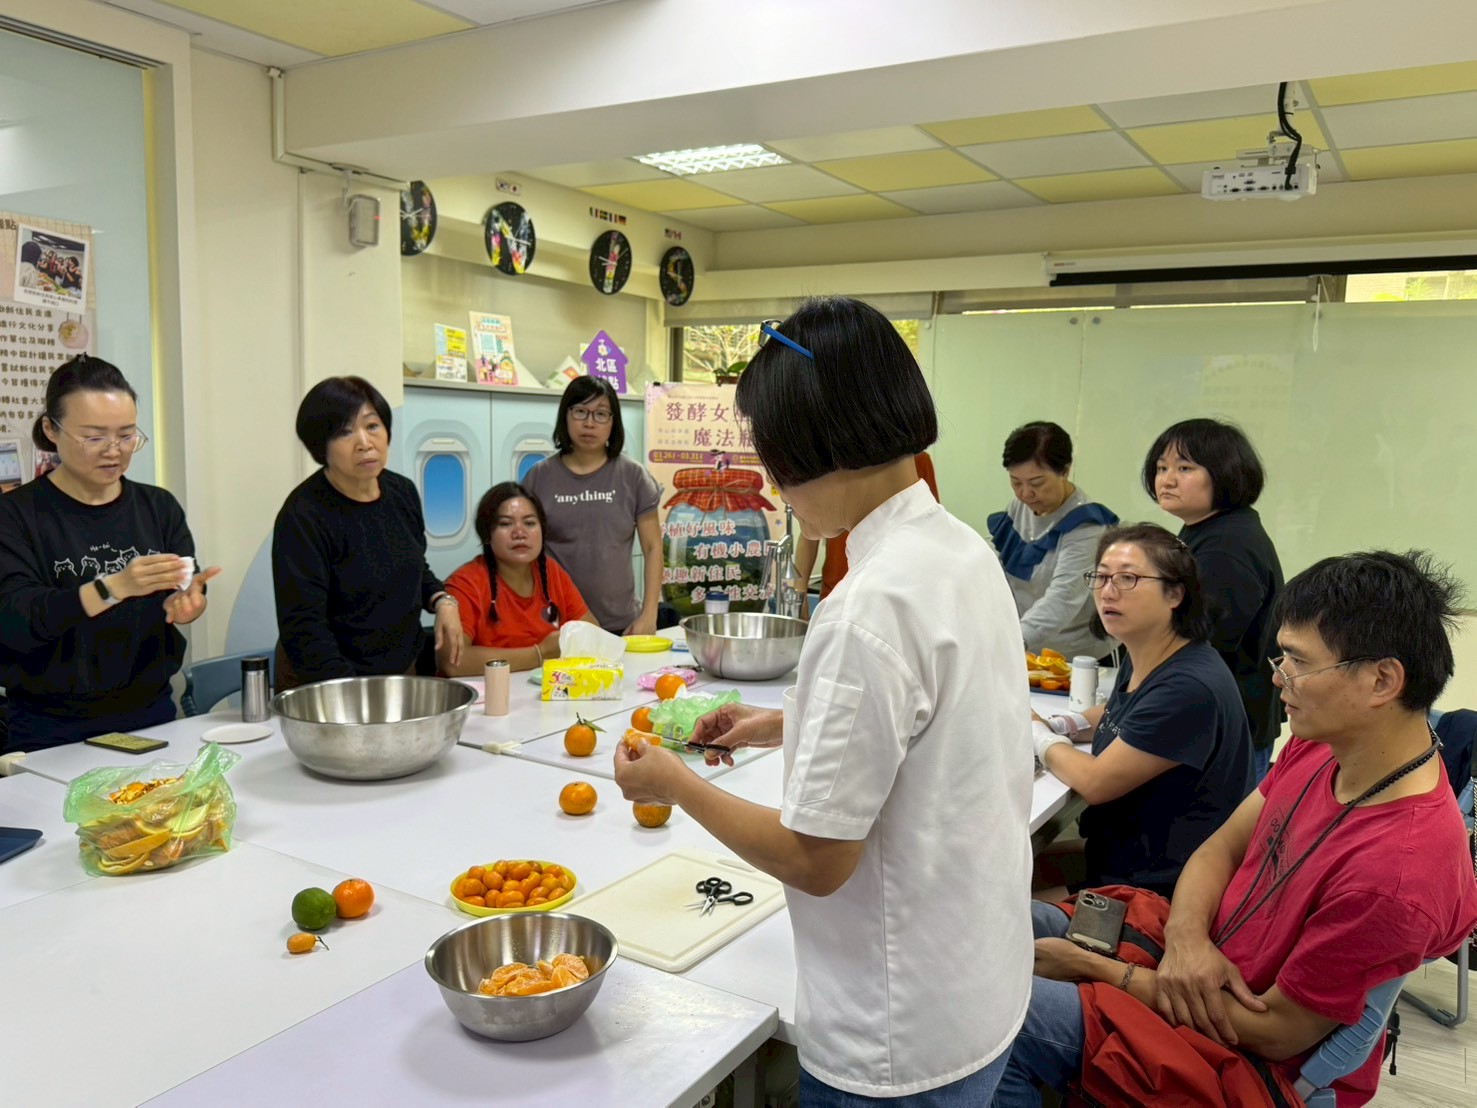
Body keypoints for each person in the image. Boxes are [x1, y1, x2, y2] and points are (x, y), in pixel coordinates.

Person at [613, 297, 1034, 1103]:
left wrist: (673, 782)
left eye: (773, 458)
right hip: (973, 974)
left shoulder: (868, 605)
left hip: (893, 1029)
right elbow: (934, 726)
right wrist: (783, 721)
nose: (773, 484)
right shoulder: (957, 552)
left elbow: (816, 860)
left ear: (814, 447)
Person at [996, 550, 1477, 1108]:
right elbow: (1219, 848)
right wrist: (1187, 941)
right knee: (998, 919)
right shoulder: (1322, 745)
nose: (1277, 678)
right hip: (1188, 957)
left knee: (991, 1014)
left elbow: (1275, 1033)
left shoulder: (1396, 876)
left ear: (1382, 680)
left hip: (1243, 1056)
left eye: (1297, 662)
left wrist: (1093, 967)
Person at [0, 356, 218, 752]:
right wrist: (114, 586)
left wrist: (190, 600)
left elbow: (185, 586)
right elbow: (17, 617)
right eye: (94, 437)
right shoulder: (15, 515)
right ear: (51, 428)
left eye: (126, 435)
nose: (114, 451)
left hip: (151, 716)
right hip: (48, 729)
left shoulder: (158, 506)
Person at [1032, 524, 1254, 899]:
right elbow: (1117, 714)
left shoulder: (1188, 687)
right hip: (1120, 857)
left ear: (1175, 594)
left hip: (1156, 888)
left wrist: (1037, 736)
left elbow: (1096, 783)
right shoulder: (1153, 652)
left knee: (992, 915)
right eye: (1101, 577)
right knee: (996, 870)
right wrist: (1059, 724)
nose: (1107, 591)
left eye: (1128, 578)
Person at [272, 376, 462, 690]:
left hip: (400, 670)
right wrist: (352, 696)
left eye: (372, 426)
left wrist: (443, 600)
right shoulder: (303, 514)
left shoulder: (402, 492)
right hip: (326, 681)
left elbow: (415, 566)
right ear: (321, 445)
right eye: (345, 432)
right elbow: (304, 627)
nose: (364, 442)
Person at [1145, 418, 1283, 780]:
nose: (1167, 479)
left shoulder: (1228, 544)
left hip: (1224, 731)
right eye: (1162, 467)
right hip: (1213, 722)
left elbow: (1203, 638)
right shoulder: (1208, 529)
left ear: (1225, 474)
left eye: (1184, 468)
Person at [523, 376, 662, 636]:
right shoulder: (538, 478)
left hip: (621, 624)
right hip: (555, 626)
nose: (589, 423)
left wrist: (649, 614)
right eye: (580, 412)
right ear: (565, 416)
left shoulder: (633, 476)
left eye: (600, 414)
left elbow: (653, 547)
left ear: (613, 422)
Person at [436, 482, 597, 675]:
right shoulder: (466, 583)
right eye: (505, 524)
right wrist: (539, 654)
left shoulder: (550, 570)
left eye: (529, 523)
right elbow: (453, 662)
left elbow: (592, 633)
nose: (519, 533)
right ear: (487, 534)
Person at [988, 422, 1117, 660]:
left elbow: (1064, 597)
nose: (1025, 494)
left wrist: (1013, 641)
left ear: (1065, 471)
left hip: (1077, 656)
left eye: (1037, 483)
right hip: (1027, 649)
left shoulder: (1086, 525)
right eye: (1016, 482)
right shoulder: (1020, 508)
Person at [791, 451, 938, 616]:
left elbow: (926, 528)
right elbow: (809, 528)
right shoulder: (836, 455)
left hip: (887, 597)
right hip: (835, 590)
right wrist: (799, 590)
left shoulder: (917, 462)